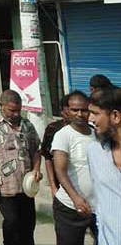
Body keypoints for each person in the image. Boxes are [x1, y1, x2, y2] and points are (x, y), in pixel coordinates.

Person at [0, 90, 42, 245]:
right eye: (12, 110)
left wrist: (36, 169)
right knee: (12, 221)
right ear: (2, 106)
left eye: (18, 110)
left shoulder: (27, 125)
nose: (16, 114)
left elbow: (36, 150)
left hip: (26, 186)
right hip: (4, 185)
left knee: (28, 224)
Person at [52, 91, 97, 245]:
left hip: (98, 207)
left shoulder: (98, 134)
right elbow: (60, 171)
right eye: (74, 110)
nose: (79, 114)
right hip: (70, 208)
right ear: (67, 111)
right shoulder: (63, 135)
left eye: (84, 110)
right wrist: (76, 198)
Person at [87, 86, 121, 245]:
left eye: (95, 113)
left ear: (115, 116)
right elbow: (101, 202)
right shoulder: (94, 151)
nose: (90, 119)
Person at [42, 94, 72, 197]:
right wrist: (53, 186)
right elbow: (48, 158)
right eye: (67, 111)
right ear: (62, 112)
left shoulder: (88, 131)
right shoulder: (53, 129)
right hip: (61, 184)